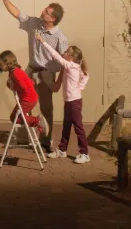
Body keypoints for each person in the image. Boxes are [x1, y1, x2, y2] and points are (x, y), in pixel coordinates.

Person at [0, 0, 68, 149]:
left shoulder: (60, 38)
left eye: (47, 12)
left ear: (53, 19)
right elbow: (17, 13)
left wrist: (58, 83)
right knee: (23, 104)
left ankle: (46, 142)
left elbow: (65, 63)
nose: (43, 11)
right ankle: (24, 137)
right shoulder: (34, 23)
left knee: (46, 108)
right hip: (31, 69)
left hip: (47, 74)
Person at [35, 32, 90, 164]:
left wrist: (42, 41)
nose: (64, 52)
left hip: (74, 102)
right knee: (66, 126)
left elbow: (55, 55)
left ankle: (85, 154)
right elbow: (86, 75)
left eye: (66, 51)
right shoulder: (74, 66)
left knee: (78, 127)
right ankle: (62, 150)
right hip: (69, 101)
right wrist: (80, 87)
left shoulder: (70, 66)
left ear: (70, 57)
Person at [0, 50, 47, 136]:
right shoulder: (15, 71)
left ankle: (37, 121)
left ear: (7, 63)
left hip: (28, 99)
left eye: (1, 64)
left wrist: (12, 87)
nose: (0, 67)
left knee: (15, 117)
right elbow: (29, 82)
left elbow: (23, 87)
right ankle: (31, 126)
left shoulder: (15, 73)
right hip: (28, 98)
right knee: (13, 117)